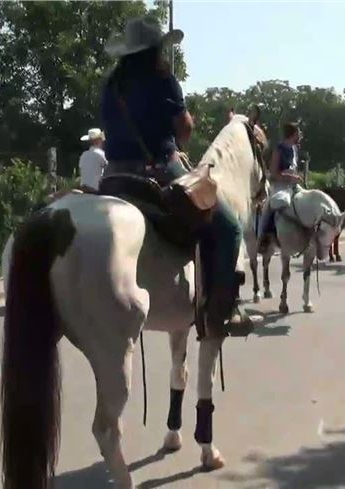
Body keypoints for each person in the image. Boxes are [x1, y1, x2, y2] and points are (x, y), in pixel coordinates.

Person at [99, 15, 246, 335]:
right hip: (160, 168)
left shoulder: (112, 85)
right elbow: (185, 129)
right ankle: (221, 311)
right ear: (154, 50)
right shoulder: (162, 79)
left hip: (113, 175)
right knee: (230, 227)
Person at [257, 122, 303, 252]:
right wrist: (288, 177)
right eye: (298, 133)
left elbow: (292, 169)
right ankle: (264, 236)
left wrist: (296, 177)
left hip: (293, 185)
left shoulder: (294, 149)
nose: (299, 135)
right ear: (293, 134)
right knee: (273, 205)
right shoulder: (279, 149)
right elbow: (273, 172)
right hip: (280, 185)